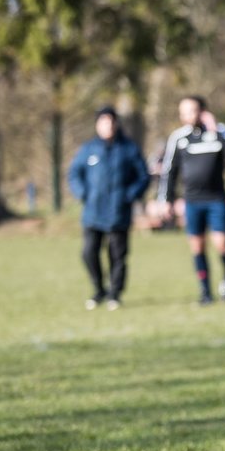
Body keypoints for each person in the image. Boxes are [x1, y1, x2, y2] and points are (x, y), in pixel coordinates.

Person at [156, 96, 225, 305]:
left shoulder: (219, 132)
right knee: (197, 246)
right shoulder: (178, 137)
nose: (188, 116)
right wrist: (166, 200)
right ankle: (205, 292)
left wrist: (216, 130)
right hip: (192, 201)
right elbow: (170, 171)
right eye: (184, 112)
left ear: (203, 111)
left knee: (221, 244)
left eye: (192, 110)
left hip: (216, 199)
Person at [67, 106, 151, 311]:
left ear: (117, 123)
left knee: (117, 256)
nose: (108, 126)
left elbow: (143, 176)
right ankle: (98, 289)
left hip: (118, 212)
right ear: (97, 125)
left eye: (111, 121)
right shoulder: (88, 150)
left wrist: (130, 195)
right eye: (103, 122)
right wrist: (83, 193)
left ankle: (115, 293)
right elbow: (74, 174)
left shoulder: (129, 149)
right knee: (88, 253)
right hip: (93, 211)